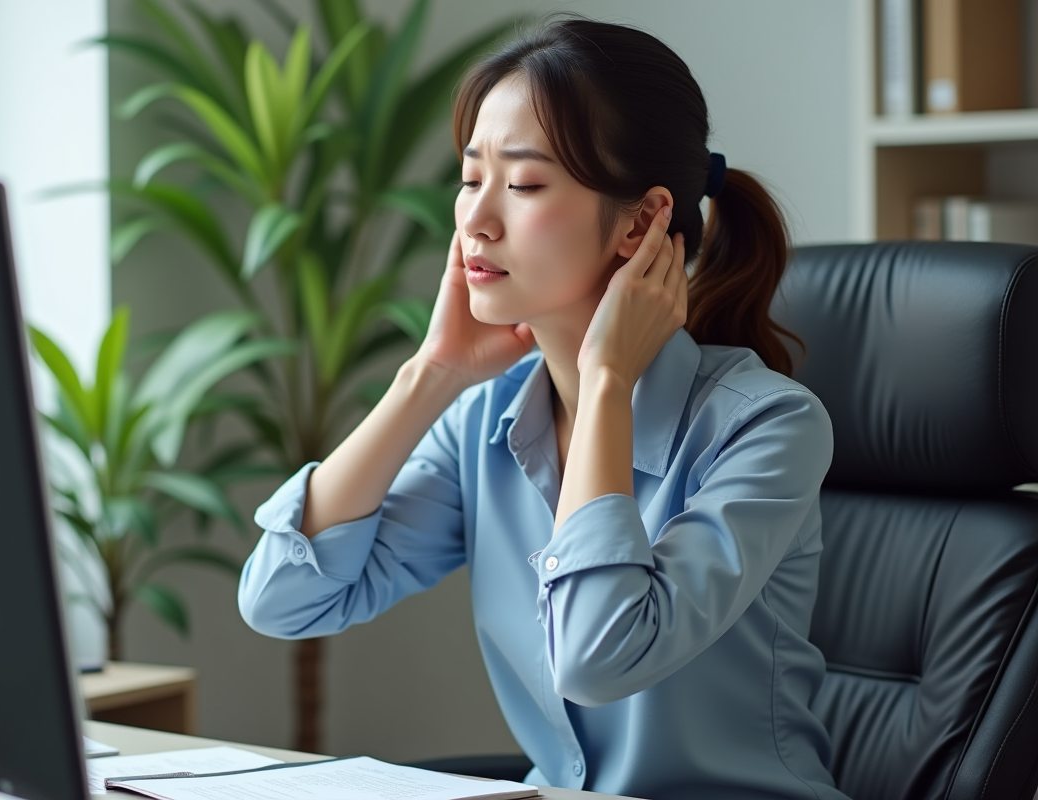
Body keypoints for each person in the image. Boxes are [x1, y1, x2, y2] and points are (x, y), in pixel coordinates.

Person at [239, 17, 845, 800]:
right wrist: (430, 374)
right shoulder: (483, 422)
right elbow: (282, 601)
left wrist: (606, 382)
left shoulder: (768, 428)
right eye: (470, 179)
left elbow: (599, 659)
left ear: (640, 222)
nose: (475, 220)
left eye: (523, 185)